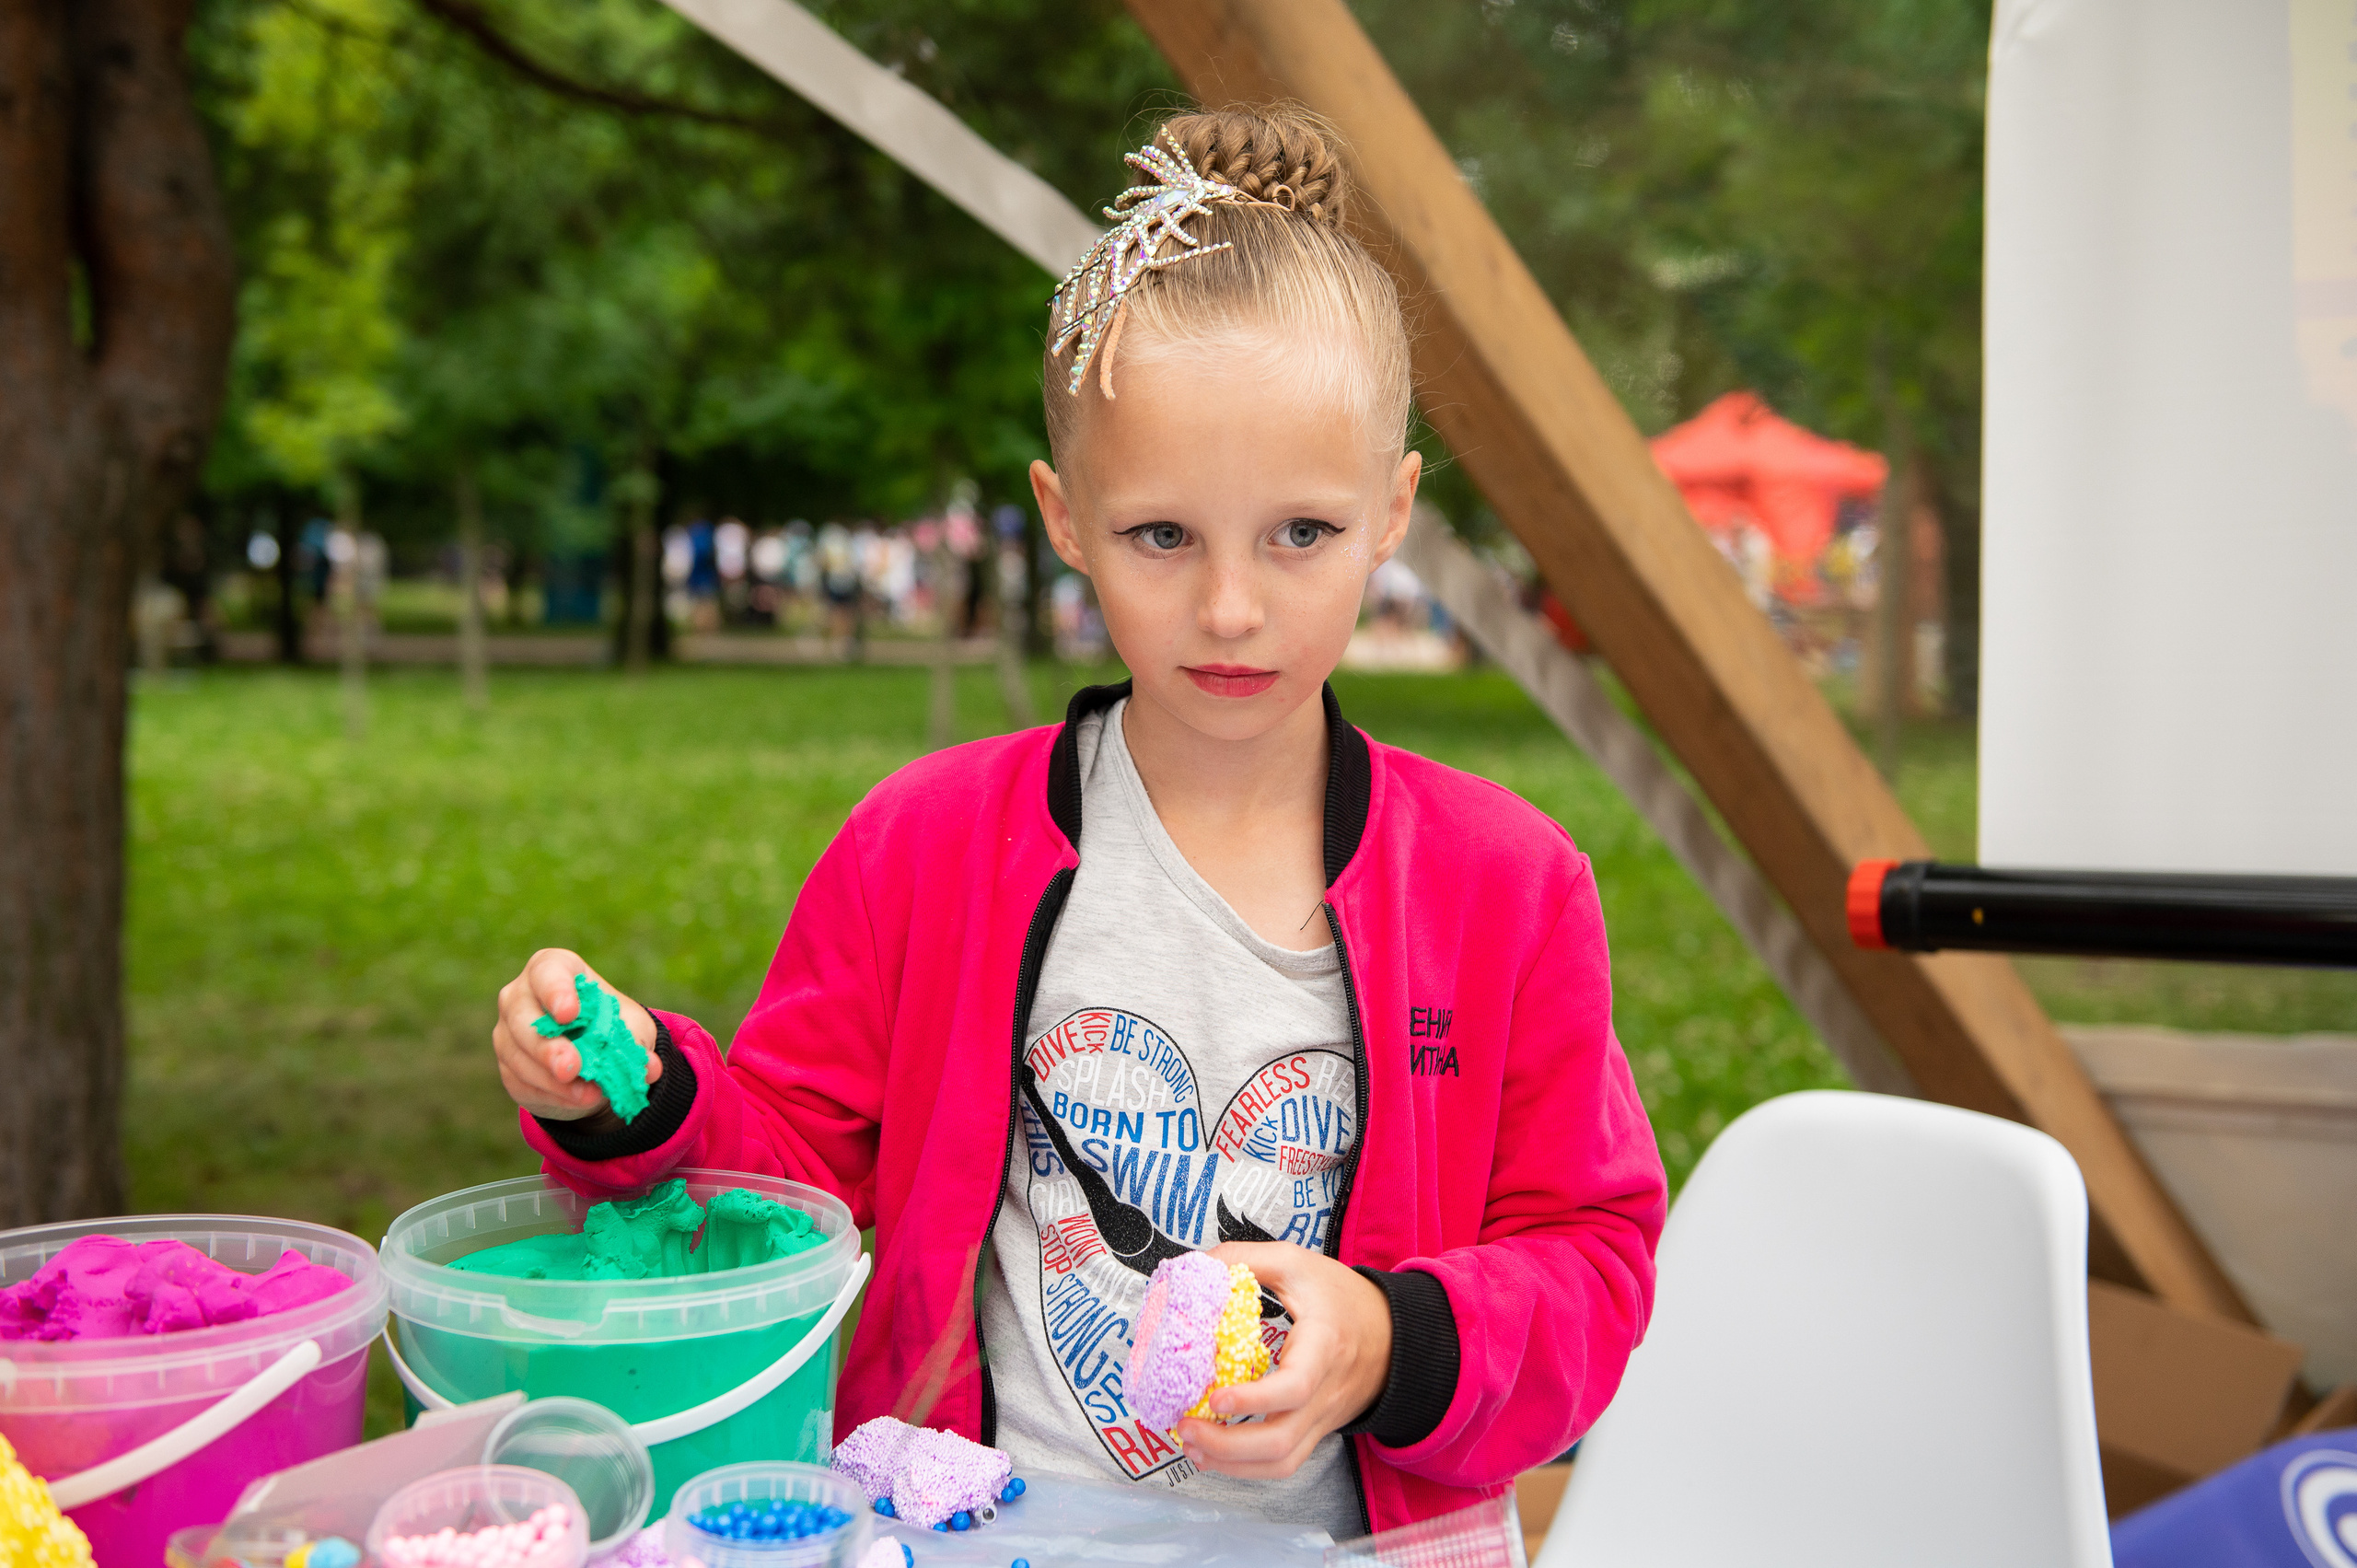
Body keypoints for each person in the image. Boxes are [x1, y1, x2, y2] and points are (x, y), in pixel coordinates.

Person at [489, 108, 1665, 1539]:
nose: (1231, 608)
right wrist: (642, 1095)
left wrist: (1387, 1339)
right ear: (1064, 514)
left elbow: (1595, 1267)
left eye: (1300, 533)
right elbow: (786, 1184)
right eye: (1162, 536)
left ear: (1393, 509)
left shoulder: (1507, 887)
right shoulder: (924, 845)